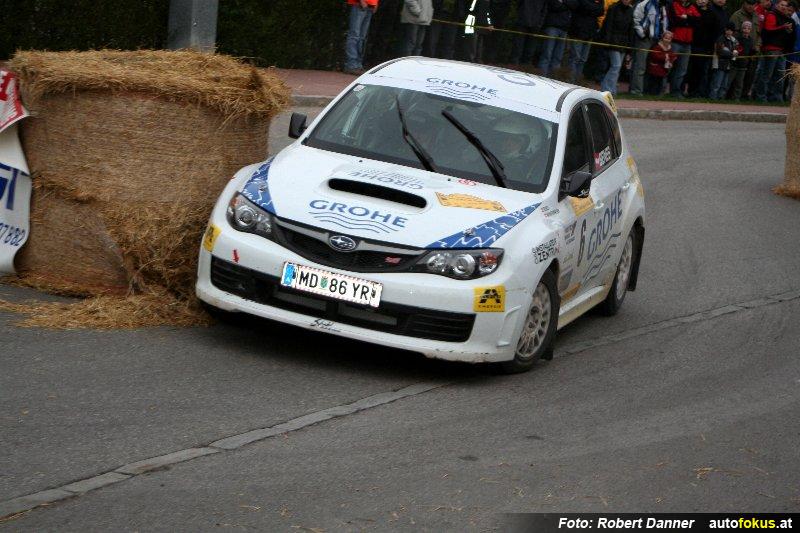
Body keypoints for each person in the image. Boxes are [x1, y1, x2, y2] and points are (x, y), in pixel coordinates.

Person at [753, 0, 796, 101]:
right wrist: (783, 27)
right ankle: (761, 97)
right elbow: (769, 29)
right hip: (771, 49)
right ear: (776, 5)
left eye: (785, 5)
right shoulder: (771, 15)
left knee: (780, 75)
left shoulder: (785, 18)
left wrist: (788, 31)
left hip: (782, 50)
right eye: (781, 5)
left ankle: (775, 98)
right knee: (766, 75)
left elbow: (785, 34)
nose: (784, 7)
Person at [630, 0, 669, 94]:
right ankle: (636, 90)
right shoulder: (644, 4)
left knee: (651, 66)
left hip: (656, 40)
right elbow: (636, 19)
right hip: (644, 40)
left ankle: (647, 90)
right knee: (640, 66)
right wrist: (642, 34)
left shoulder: (662, 6)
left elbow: (664, 22)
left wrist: (663, 36)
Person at [600, 0, 636, 94]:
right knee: (616, 65)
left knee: (617, 67)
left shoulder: (630, 11)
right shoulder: (613, 8)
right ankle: (607, 88)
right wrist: (607, 41)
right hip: (613, 41)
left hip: (624, 43)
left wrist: (630, 46)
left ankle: (611, 89)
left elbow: (631, 29)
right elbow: (608, 25)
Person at [667, 0, 701, 96]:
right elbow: (675, 20)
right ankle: (661, 90)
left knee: (682, 70)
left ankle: (675, 91)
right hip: (675, 41)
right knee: (668, 67)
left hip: (687, 43)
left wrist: (686, 18)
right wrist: (690, 20)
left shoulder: (692, 6)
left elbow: (698, 21)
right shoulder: (674, 4)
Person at [538, 0, 579, 77]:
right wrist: (567, 5)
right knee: (547, 54)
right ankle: (541, 76)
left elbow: (575, 5)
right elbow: (554, 5)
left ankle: (553, 77)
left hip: (565, 28)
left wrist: (563, 2)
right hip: (552, 26)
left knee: (558, 57)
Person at [729, 0, 761, 98]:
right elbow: (732, 34)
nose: (751, 6)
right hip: (739, 52)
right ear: (744, 3)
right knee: (734, 75)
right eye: (749, 4)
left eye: (753, 4)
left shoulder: (756, 16)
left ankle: (743, 96)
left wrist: (758, 45)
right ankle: (729, 95)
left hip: (752, 51)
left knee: (749, 75)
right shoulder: (737, 15)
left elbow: (759, 33)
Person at [568, 0, 605, 82]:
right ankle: (570, 80)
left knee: (583, 59)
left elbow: (601, 11)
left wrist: (590, 8)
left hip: (590, 32)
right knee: (575, 58)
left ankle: (577, 81)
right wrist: (593, 8)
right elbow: (582, 5)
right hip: (578, 30)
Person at [687, 0, 717, 97]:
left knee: (702, 71)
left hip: (705, 46)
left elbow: (714, 31)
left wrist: (711, 46)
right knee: (691, 69)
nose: (702, 1)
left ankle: (699, 92)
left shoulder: (712, 14)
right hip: (692, 44)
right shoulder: (692, 10)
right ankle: (689, 91)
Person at [344, 0, 379, 75]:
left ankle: (358, 65)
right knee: (354, 36)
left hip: (369, 5)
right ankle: (351, 65)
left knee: (361, 38)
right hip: (359, 4)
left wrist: (376, 3)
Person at [510, 0, 550, 65]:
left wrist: (539, 24)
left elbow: (544, 11)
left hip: (535, 25)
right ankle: (514, 65)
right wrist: (520, 17)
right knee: (517, 47)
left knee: (530, 50)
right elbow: (519, 4)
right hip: (522, 22)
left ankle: (525, 67)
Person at [709, 22, 739, 98]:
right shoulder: (721, 39)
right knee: (717, 83)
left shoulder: (734, 41)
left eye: (731, 30)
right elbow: (720, 51)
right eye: (728, 30)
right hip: (720, 64)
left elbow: (736, 49)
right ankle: (713, 97)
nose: (729, 32)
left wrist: (735, 53)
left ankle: (720, 98)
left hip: (728, 65)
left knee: (724, 84)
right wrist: (731, 54)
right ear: (725, 30)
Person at [728, 20, 755, 98]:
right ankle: (724, 95)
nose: (746, 30)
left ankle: (736, 97)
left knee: (739, 83)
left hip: (743, 65)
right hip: (735, 63)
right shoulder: (737, 38)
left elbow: (750, 51)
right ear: (742, 29)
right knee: (729, 80)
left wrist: (753, 53)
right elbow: (734, 49)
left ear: (750, 30)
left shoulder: (751, 40)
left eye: (748, 28)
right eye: (745, 28)